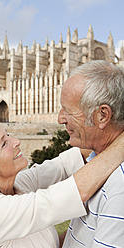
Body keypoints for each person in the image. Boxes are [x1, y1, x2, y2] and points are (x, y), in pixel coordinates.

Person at [0, 118, 123, 248]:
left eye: (8, 134)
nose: (16, 141)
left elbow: (61, 166)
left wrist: (108, 136)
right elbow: (71, 194)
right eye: (4, 143)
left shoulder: (17, 186)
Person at [58, 60, 124, 248]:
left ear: (102, 115)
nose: (60, 118)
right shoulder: (97, 162)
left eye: (68, 111)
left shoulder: (119, 186)